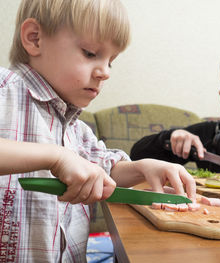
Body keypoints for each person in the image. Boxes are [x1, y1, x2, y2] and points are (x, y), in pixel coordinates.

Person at [0, 0, 196, 261]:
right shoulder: (4, 91)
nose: (105, 72)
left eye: (111, 61)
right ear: (35, 39)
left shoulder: (77, 129)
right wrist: (56, 156)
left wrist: (142, 168)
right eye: (91, 53)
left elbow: (107, 170)